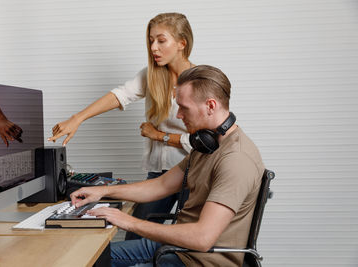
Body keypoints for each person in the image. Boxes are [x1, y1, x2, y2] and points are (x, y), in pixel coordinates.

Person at [70, 65, 266, 267]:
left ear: (210, 105)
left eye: (184, 107)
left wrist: (128, 222)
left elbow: (202, 238)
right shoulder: (206, 145)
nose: (179, 115)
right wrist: (102, 192)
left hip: (198, 262)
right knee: (86, 257)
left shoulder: (236, 159)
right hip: (175, 249)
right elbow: (161, 185)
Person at [48, 13, 195, 240]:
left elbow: (206, 139)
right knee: (135, 236)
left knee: (182, 245)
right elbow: (121, 95)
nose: (153, 47)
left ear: (182, 43)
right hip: (157, 174)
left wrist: (159, 136)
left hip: (193, 173)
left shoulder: (202, 81)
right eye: (150, 41)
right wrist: (78, 118)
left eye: (161, 40)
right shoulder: (152, 75)